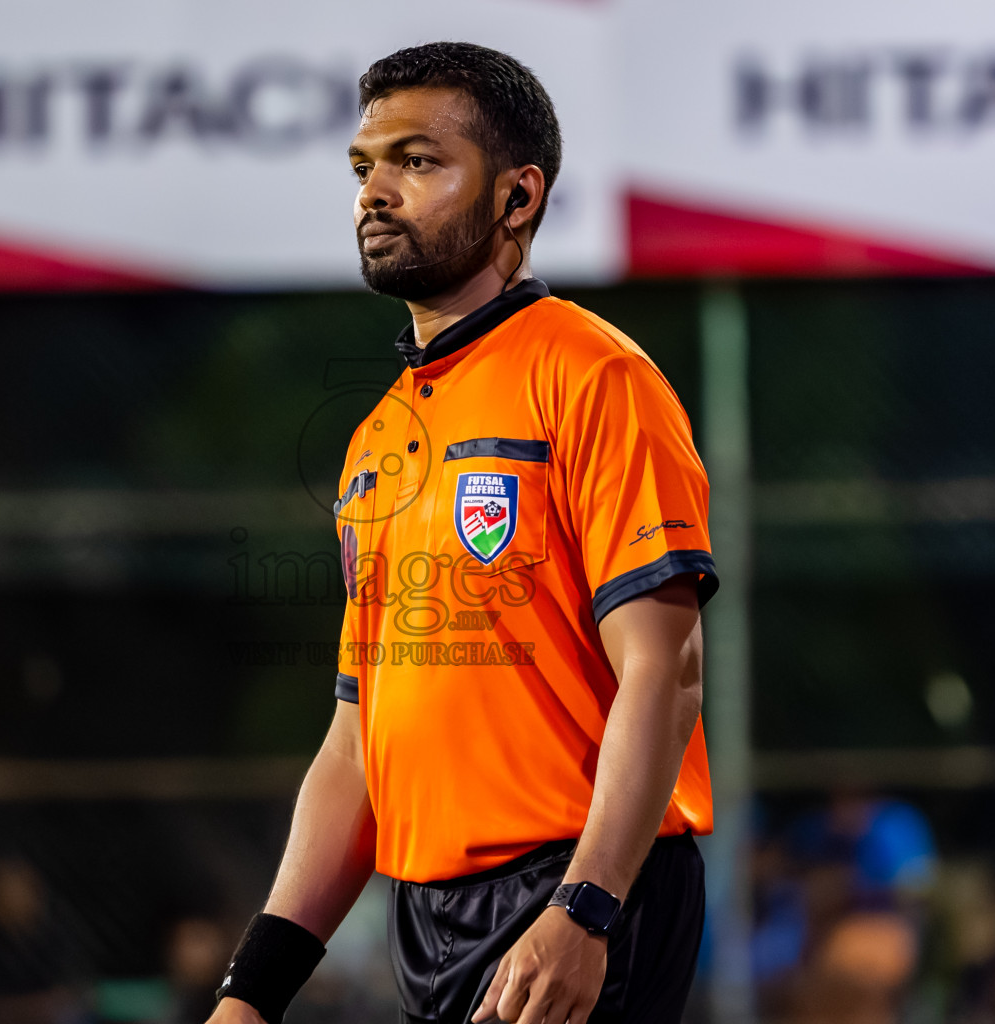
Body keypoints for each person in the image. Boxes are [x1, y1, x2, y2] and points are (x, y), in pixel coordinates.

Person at [208, 42, 717, 1024]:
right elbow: (358, 741)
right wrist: (250, 993)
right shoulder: (377, 438)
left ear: (517, 199)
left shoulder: (594, 376)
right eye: (364, 167)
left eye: (418, 161)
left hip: (576, 887)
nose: (376, 191)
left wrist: (587, 906)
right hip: (427, 913)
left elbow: (667, 670)